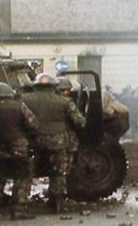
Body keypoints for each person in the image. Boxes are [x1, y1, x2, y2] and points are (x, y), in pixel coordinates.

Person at [22, 73, 85, 213]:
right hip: (58, 142)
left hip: (33, 141)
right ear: (53, 86)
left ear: (35, 85)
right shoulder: (64, 101)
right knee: (58, 172)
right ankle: (57, 202)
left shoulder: (23, 100)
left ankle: (21, 205)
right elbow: (80, 122)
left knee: (27, 173)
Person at [0, 82, 38, 220]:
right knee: (21, 177)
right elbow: (33, 124)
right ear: (9, 94)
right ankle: (19, 209)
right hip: (18, 147)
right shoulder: (19, 106)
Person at [56, 77, 86, 173]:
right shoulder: (68, 102)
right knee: (65, 167)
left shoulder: (49, 100)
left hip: (50, 138)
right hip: (66, 138)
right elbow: (79, 121)